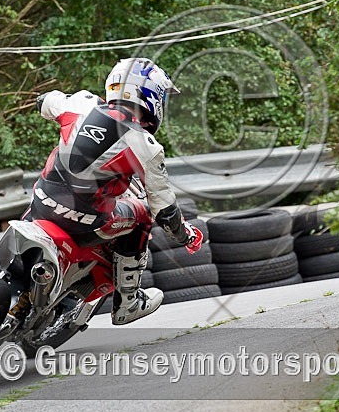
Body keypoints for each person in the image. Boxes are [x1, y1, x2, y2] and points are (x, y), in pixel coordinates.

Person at [21, 58, 203, 325]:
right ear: (150, 95)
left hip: (41, 202)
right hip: (85, 220)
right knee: (143, 216)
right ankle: (128, 301)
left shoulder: (80, 103)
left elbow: (45, 100)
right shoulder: (146, 145)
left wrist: (55, 102)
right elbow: (164, 208)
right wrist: (184, 235)